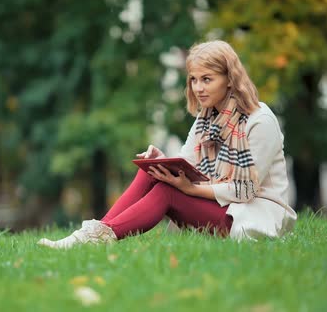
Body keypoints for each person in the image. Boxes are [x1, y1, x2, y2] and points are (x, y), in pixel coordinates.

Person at [38, 40, 297, 249]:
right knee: (152, 171)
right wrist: (162, 161)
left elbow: (246, 190)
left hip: (252, 215)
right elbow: (189, 165)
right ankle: (95, 233)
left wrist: (190, 189)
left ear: (230, 79)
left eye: (207, 79)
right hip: (222, 206)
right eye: (193, 80)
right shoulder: (206, 119)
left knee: (168, 192)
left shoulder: (259, 120)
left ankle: (102, 236)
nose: (198, 88)